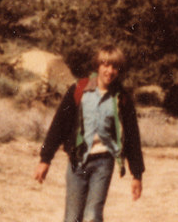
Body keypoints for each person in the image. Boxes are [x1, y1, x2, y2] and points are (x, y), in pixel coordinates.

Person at [35, 45, 144, 222]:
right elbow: (59, 125)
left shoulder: (121, 97)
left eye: (115, 67)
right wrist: (45, 159)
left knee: (93, 216)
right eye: (106, 65)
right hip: (77, 161)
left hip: (103, 162)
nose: (110, 71)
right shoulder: (79, 90)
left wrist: (137, 175)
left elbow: (132, 136)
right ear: (97, 66)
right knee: (72, 218)